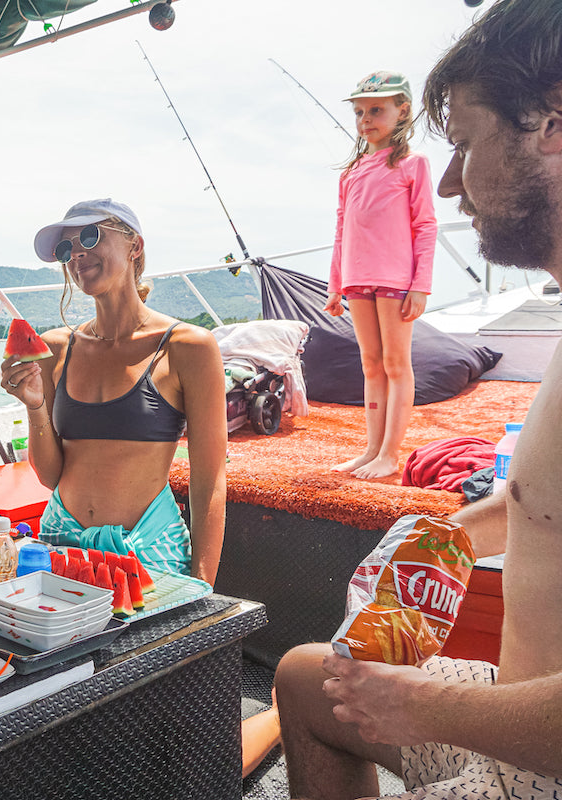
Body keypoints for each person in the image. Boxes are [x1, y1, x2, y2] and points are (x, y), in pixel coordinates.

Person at [276, 1, 562, 797]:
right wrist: (453, 533)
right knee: (305, 681)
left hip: (537, 770)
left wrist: (425, 708)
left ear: (552, 123)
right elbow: (544, 498)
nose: (447, 180)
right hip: (511, 709)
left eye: (465, 144)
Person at [1, 198, 226, 587]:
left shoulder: (188, 346)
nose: (77, 255)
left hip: (150, 548)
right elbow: (51, 475)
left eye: (90, 236)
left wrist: (203, 585)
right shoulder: (56, 348)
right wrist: (36, 406)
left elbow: (209, 479)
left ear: (134, 246)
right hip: (59, 542)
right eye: (66, 248)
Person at [325, 70, 438, 480]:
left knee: (395, 363)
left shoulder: (413, 164)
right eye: (360, 112)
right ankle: (371, 449)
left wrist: (420, 285)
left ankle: (390, 453)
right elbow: (341, 229)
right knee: (370, 364)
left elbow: (425, 225)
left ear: (402, 111)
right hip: (356, 279)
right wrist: (336, 284)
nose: (366, 119)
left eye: (376, 110)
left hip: (395, 278)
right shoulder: (351, 172)